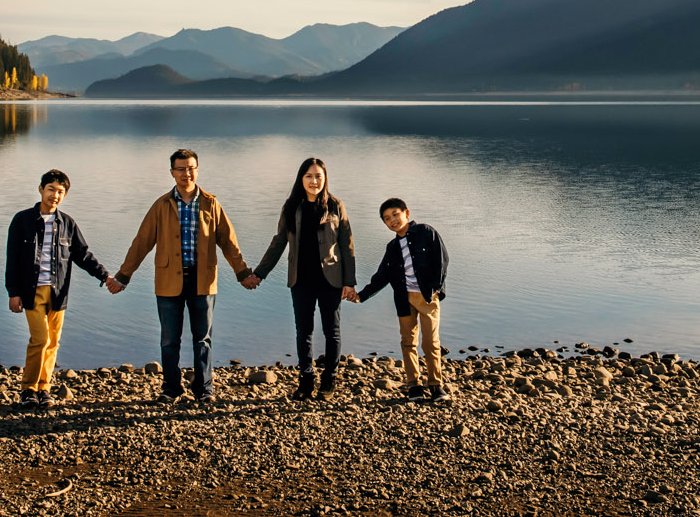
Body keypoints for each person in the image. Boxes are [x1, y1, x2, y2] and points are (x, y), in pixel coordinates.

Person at [115, 148, 253, 404]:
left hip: (203, 280)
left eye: (190, 168)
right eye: (180, 169)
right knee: (169, 340)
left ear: (197, 170)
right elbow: (142, 242)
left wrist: (242, 272)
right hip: (169, 282)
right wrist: (124, 275)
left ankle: (204, 389)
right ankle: (171, 388)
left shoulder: (211, 203)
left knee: (203, 339)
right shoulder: (161, 205)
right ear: (172, 172)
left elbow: (228, 241)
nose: (186, 173)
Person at [4, 169, 114, 409]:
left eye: (60, 191)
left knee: (53, 341)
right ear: (41, 189)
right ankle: (28, 388)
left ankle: (44, 388)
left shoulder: (67, 224)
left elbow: (82, 255)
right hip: (31, 292)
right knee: (40, 339)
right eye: (51, 189)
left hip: (59, 292)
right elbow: (12, 259)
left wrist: (104, 276)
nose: (55, 195)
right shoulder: (22, 221)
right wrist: (13, 293)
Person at [250, 157, 357, 400]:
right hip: (301, 280)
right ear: (301, 179)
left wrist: (349, 282)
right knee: (304, 331)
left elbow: (347, 245)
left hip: (332, 279)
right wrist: (259, 273)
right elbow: (278, 243)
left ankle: (329, 379)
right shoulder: (291, 207)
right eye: (309, 176)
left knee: (332, 330)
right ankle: (306, 380)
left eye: (318, 176)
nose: (314, 181)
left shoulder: (336, 206)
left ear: (325, 179)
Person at [352, 197, 451, 401]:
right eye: (387, 219)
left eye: (395, 214)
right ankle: (414, 385)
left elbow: (441, 260)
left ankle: (435, 385)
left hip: (426, 296)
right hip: (404, 299)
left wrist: (435, 289)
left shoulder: (426, 232)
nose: (393, 220)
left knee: (431, 342)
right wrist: (361, 296)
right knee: (408, 342)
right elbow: (382, 276)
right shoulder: (392, 248)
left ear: (406, 213)